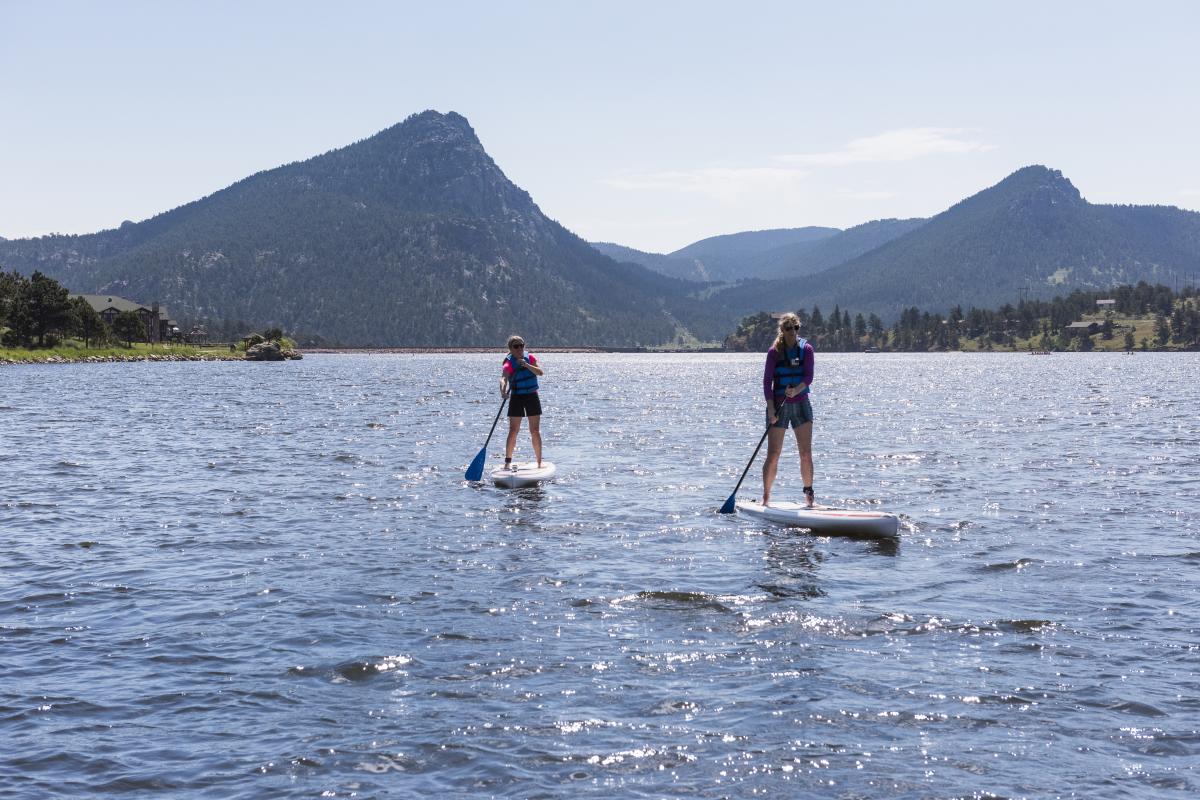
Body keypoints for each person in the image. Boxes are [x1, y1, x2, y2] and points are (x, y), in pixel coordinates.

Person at [761, 312, 815, 507]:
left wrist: (797, 390)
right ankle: (766, 497)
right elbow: (767, 382)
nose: (793, 332)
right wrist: (770, 409)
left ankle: (809, 496)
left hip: (801, 404)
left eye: (796, 328)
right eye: (788, 328)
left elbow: (808, 377)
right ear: (782, 331)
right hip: (778, 405)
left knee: (806, 453)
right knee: (774, 454)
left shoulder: (806, 349)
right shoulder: (774, 352)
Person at [500, 335, 545, 469]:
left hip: (532, 396)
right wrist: (503, 390)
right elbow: (503, 378)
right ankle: (507, 462)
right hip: (517, 397)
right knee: (513, 430)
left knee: (535, 430)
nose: (519, 348)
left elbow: (540, 372)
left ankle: (539, 463)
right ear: (511, 349)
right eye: (516, 346)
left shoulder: (530, 358)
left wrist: (526, 365)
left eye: (521, 345)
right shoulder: (508, 363)